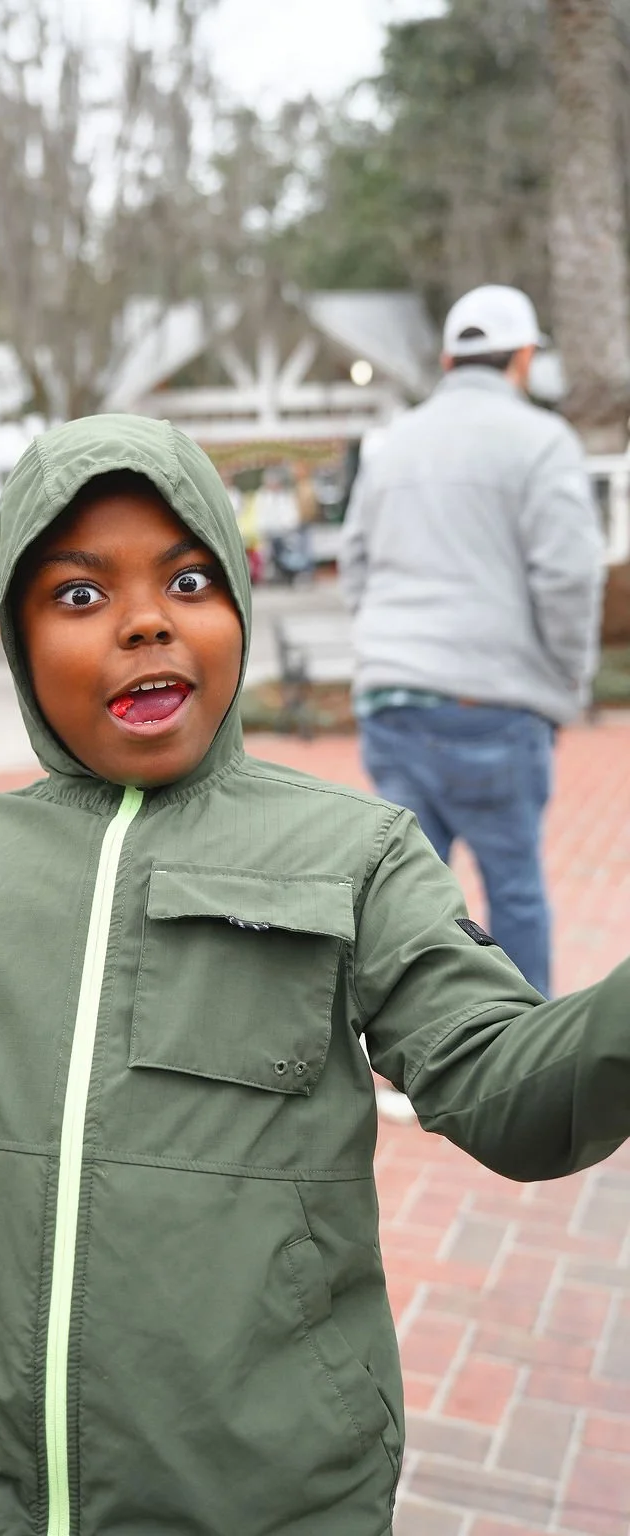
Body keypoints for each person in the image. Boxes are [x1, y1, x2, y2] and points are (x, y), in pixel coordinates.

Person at [0, 414, 630, 1536]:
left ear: (238, 603)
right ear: (18, 638)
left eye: (189, 580)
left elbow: (511, 1091)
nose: (146, 621)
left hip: (271, 1500)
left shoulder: (357, 853)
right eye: (80, 593)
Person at [340, 284, 604, 1006]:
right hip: (492, 705)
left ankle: (410, 1047)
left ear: (449, 359)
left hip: (393, 700)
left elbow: (354, 564)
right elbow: (569, 576)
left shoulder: (393, 444)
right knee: (513, 889)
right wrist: (567, 679)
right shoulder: (542, 441)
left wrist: (387, 644)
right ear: (523, 359)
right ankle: (524, 1050)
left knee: (405, 901)